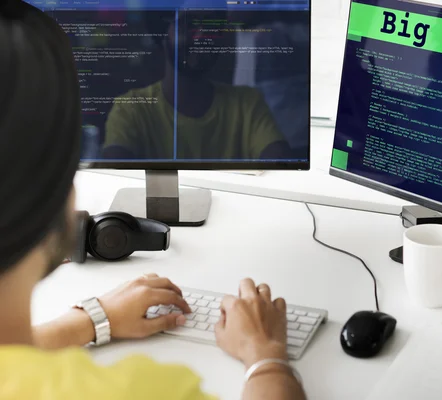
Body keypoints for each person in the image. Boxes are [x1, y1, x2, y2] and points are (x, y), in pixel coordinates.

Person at [0, 1, 305, 399]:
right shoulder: (143, 389)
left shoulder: (244, 103)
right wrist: (266, 356)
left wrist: (93, 318)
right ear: (56, 196)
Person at [102, 9, 292, 161]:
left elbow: (280, 162)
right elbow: (115, 173)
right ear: (161, 33)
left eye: (211, 26)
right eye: (188, 24)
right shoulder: (130, 108)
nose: (202, 36)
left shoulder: (247, 103)